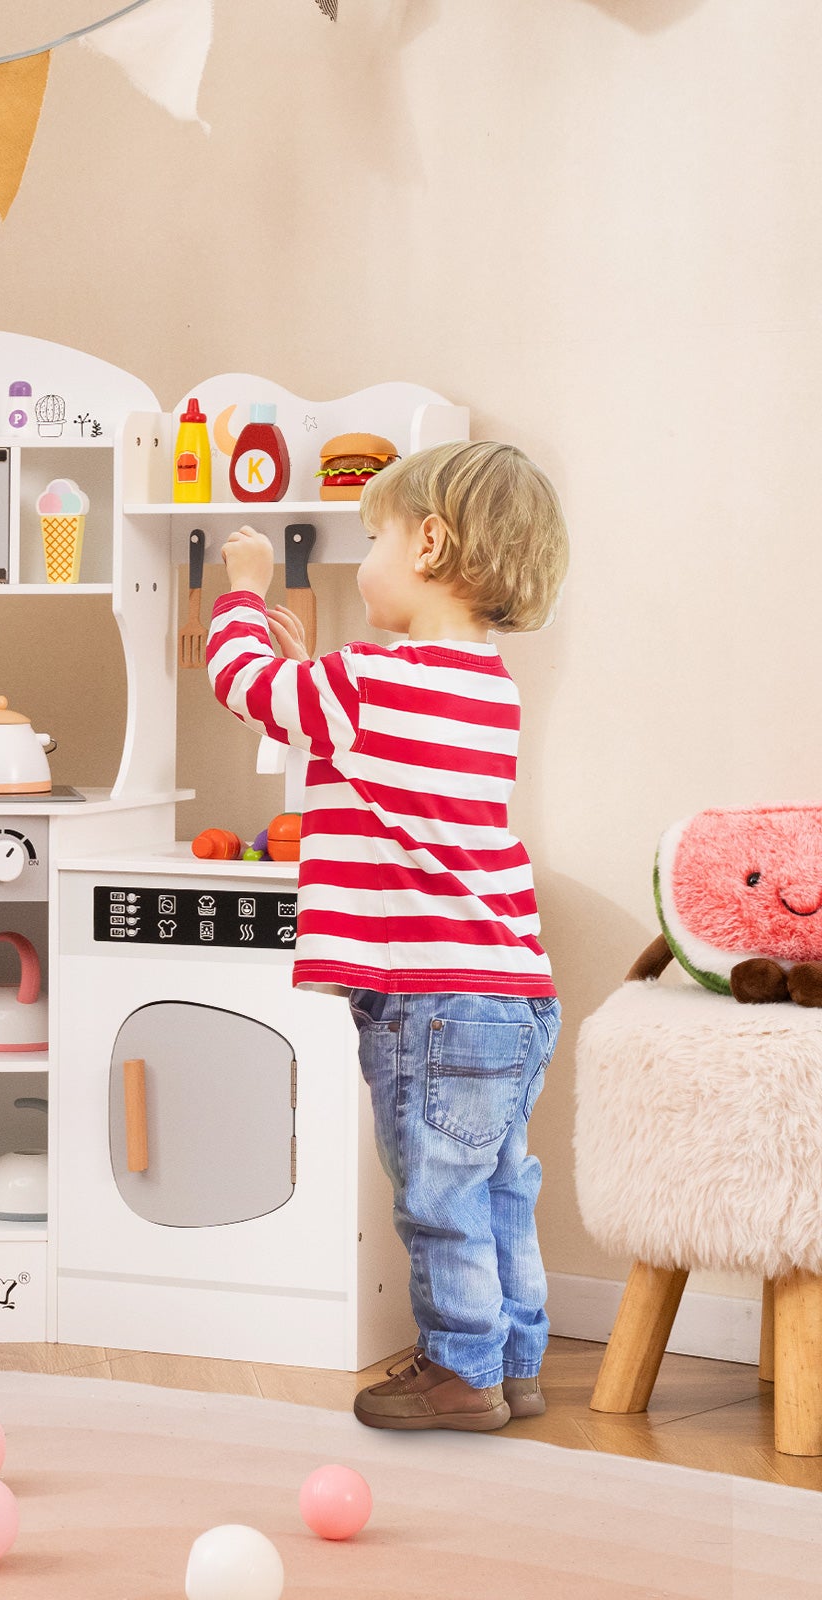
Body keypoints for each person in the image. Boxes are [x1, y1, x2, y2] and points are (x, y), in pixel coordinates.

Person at [206, 440, 569, 1432]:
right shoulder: (488, 688)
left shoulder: (364, 682)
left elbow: (243, 685)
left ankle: (458, 1372)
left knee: (436, 1196)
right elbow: (359, 741)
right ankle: (514, 1362)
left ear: (430, 545)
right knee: (498, 1186)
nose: (365, 559)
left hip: (429, 998)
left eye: (374, 540)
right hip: (512, 991)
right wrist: (307, 669)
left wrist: (241, 591)